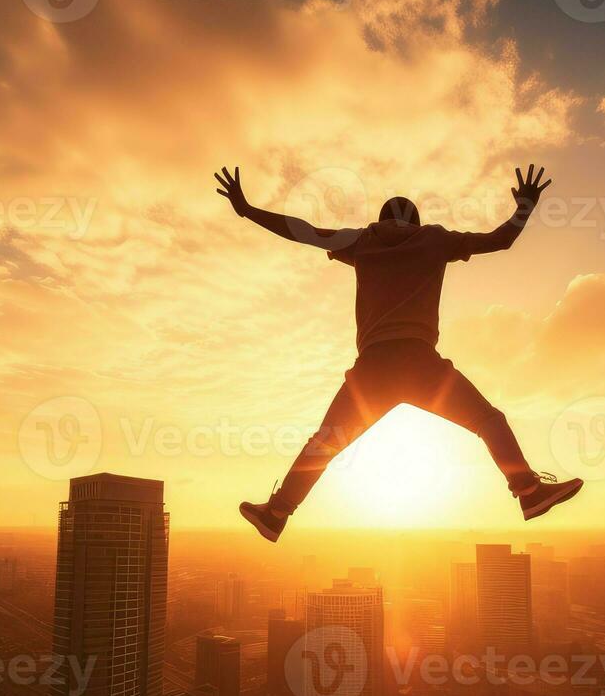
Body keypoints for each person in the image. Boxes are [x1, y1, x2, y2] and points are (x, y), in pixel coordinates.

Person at [214, 164, 583, 542]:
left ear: (381, 219)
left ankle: (277, 513)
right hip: (421, 364)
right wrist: (525, 206)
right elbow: (500, 239)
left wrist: (247, 209)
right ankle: (527, 491)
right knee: (487, 420)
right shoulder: (435, 239)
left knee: (325, 442)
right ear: (417, 220)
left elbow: (302, 230)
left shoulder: (361, 241)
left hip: (373, 369)